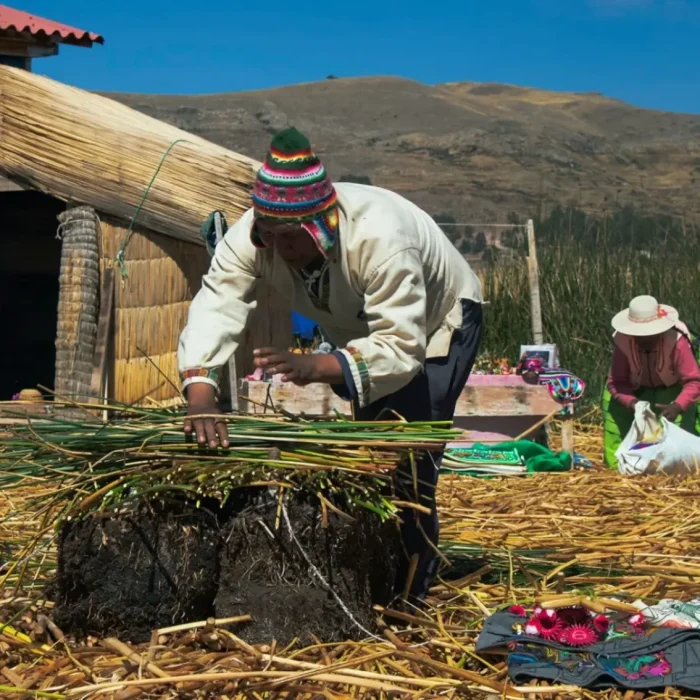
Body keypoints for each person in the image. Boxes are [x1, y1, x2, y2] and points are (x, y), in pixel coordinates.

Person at [178, 127, 483, 600]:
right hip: (359, 336)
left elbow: (402, 347)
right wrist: (200, 388)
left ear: (322, 226)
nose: (280, 249)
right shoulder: (252, 237)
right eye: (270, 236)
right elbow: (217, 301)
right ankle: (373, 576)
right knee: (371, 458)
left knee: (408, 463)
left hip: (437, 323)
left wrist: (318, 366)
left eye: (290, 238)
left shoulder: (381, 238)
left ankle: (408, 597)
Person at [603, 295, 700, 468]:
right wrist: (632, 403)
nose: (645, 339)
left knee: (676, 439)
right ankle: (620, 468)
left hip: (673, 389)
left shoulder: (677, 341)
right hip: (634, 390)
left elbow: (694, 382)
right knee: (611, 405)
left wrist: (677, 406)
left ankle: (677, 467)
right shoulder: (623, 341)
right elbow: (616, 381)